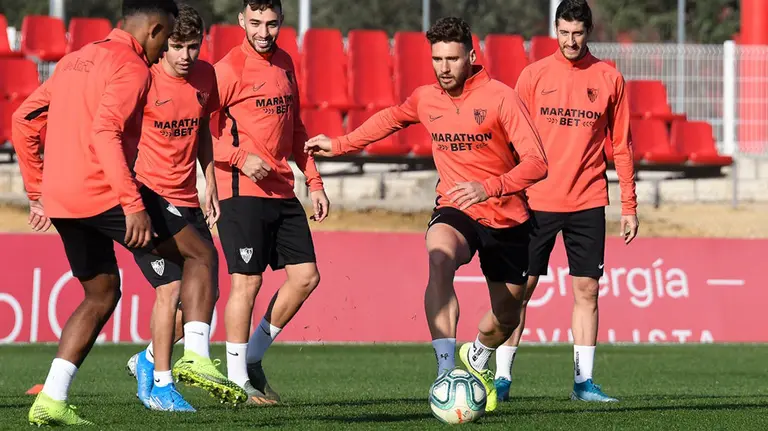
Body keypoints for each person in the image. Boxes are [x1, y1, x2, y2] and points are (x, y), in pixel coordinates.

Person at [11, 1, 245, 425]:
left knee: (101, 294)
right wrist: (132, 204)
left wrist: (36, 191)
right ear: (155, 29)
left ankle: (51, 399)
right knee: (200, 256)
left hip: (64, 200)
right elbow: (106, 131)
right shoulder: (133, 66)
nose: (164, 52)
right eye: (167, 38)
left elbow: (22, 119)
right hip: (107, 192)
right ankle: (192, 356)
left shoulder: (73, 60)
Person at [304, 17, 547, 413]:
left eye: (452, 58)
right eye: (436, 59)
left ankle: (479, 357)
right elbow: (389, 119)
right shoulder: (426, 98)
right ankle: (446, 369)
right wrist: (341, 144)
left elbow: (538, 163)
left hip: (507, 217)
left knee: (505, 316)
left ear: (471, 55)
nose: (444, 68)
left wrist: (489, 187)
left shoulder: (502, 98)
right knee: (439, 258)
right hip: (455, 207)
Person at [493, 0, 638, 404]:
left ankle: (583, 383)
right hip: (535, 200)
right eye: (563, 32)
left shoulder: (609, 78)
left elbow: (622, 146)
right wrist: (505, 192)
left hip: (588, 199)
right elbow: (509, 139)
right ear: (555, 30)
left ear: (588, 31)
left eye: (577, 33)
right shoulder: (534, 76)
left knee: (587, 290)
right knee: (519, 289)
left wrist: (628, 205)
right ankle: (502, 378)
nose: (570, 40)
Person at [211, 0, 330, 405]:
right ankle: (235, 380)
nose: (264, 31)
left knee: (306, 277)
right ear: (242, 20)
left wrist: (313, 180)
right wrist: (242, 158)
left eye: (272, 23)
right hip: (239, 190)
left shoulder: (284, 63)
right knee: (247, 281)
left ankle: (253, 359)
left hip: (282, 188)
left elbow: (295, 126)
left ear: (282, 22)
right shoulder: (227, 69)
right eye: (256, 23)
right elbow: (200, 134)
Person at [120, 4, 222, 412]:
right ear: (164, 45)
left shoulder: (207, 77)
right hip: (148, 199)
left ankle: (147, 360)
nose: (185, 55)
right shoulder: (143, 79)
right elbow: (117, 136)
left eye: (192, 46)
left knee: (204, 291)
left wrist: (209, 181)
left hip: (188, 200)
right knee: (173, 288)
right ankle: (163, 384)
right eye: (177, 46)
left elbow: (202, 133)